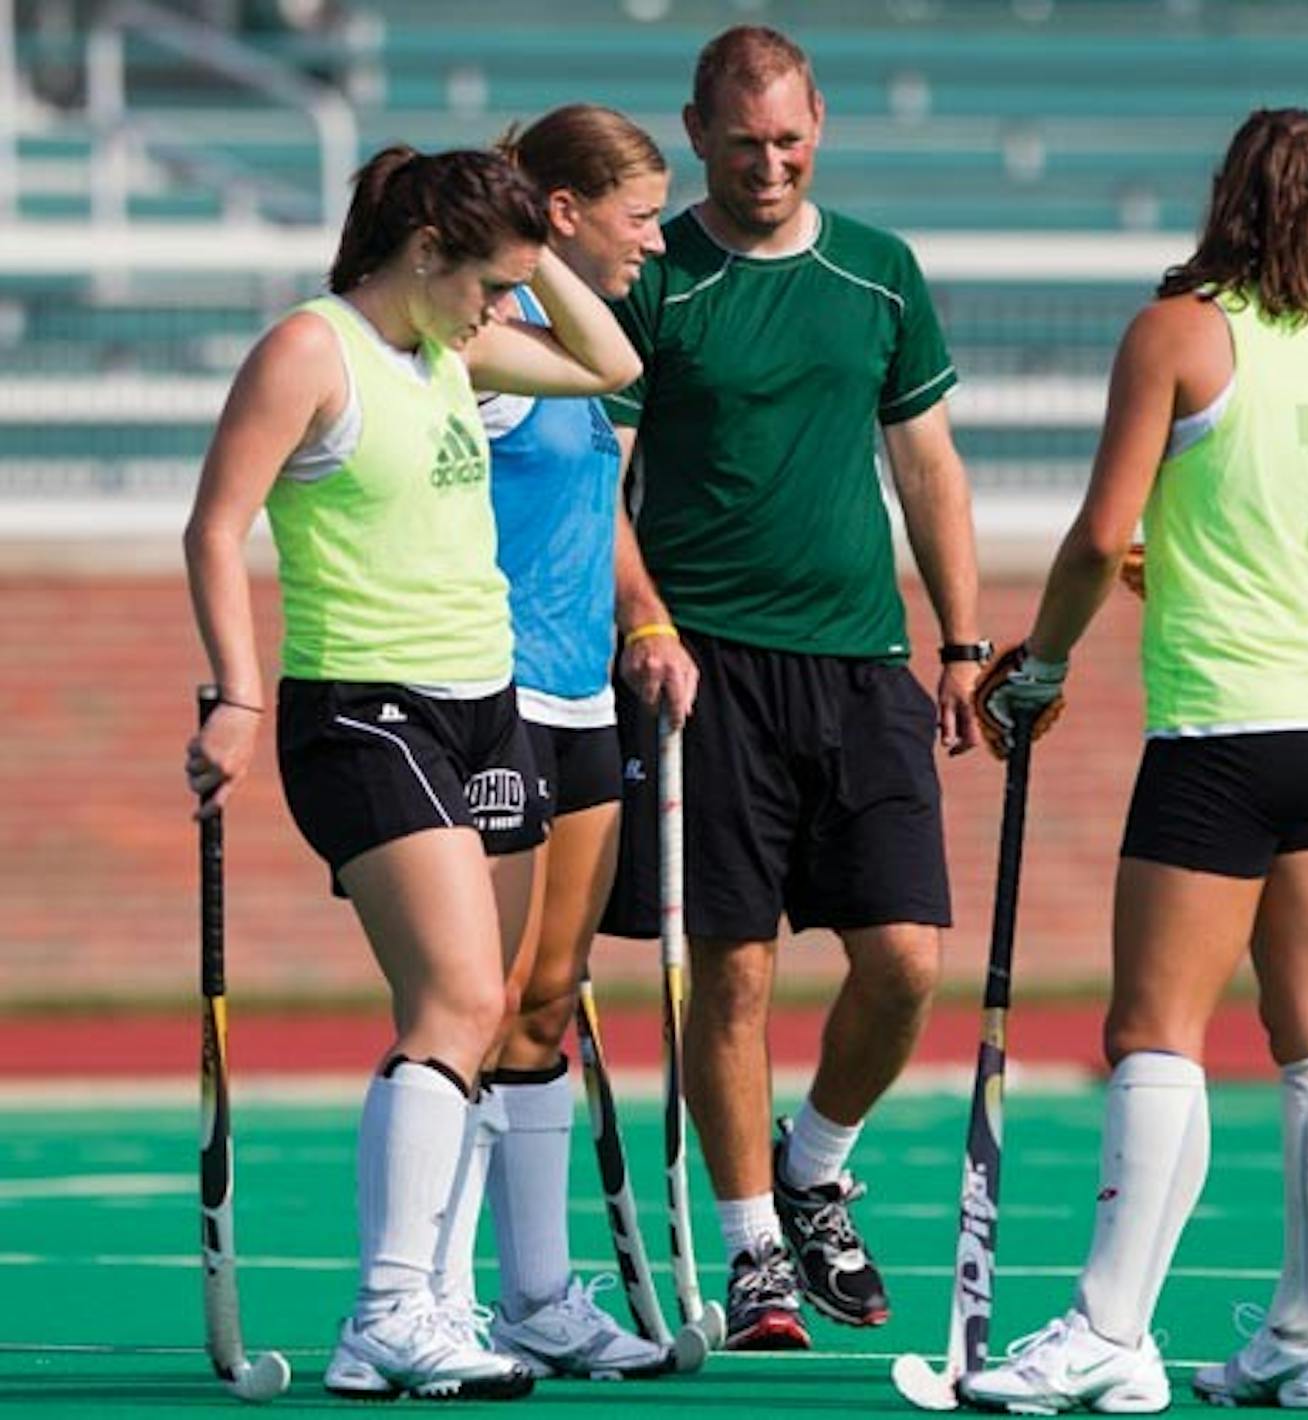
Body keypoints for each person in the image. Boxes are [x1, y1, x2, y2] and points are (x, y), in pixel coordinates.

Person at [959, 107, 1308, 1415]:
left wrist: (1039, 662)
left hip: (1226, 727)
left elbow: (1097, 533)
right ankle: (1304, 1340)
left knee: (1153, 1029)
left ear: (1224, 192)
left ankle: (1112, 1333)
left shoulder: (1178, 331)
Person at [183, 145, 641, 1402]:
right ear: (425, 251)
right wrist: (237, 692)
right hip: (362, 710)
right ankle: (387, 1312)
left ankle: (427, 1299)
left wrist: (530, 244)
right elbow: (215, 525)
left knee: (483, 1010)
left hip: (486, 705)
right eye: (488, 284)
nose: (503, 310)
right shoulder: (311, 350)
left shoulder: (453, 347)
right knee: (455, 999)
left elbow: (612, 365)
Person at [602, 24, 985, 1351]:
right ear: (696, 133)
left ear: (818, 125)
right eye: (743, 143)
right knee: (735, 973)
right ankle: (754, 1248)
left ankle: (813, 1164)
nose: (769, 165)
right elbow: (599, 484)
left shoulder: (878, 271)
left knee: (907, 959)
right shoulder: (657, 278)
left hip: (863, 664)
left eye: (789, 141)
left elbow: (926, 466)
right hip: (705, 672)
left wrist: (961, 641)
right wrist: (646, 620)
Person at [430, 104, 680, 1382]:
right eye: (640, 215)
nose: (656, 239)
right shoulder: (489, 341)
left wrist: (646, 616)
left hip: (584, 696)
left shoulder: (573, 357)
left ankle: (534, 1296)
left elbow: (599, 509)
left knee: (547, 998)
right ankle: (430, 1294)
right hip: (498, 695)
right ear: (565, 213)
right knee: (470, 1000)